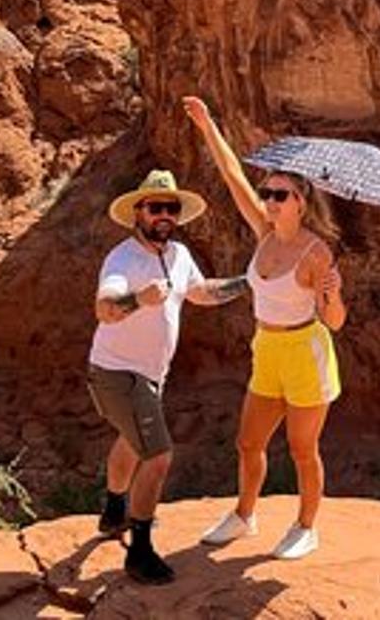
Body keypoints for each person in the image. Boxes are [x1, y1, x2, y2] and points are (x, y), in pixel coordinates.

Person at [183, 96, 347, 561]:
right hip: (267, 349)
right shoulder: (264, 232)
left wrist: (332, 294)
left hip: (305, 352)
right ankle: (244, 516)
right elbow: (233, 176)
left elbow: (333, 323)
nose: (268, 201)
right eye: (267, 194)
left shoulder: (316, 254)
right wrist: (208, 125)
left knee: (301, 448)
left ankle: (306, 526)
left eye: (278, 195)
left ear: (301, 202)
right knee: (249, 441)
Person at [89, 167, 249, 586]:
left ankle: (113, 510)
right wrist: (139, 300)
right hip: (117, 373)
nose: (165, 215)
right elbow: (104, 308)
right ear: (138, 212)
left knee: (132, 438)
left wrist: (249, 281)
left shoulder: (177, 255)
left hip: (149, 375)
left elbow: (200, 292)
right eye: (156, 207)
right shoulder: (122, 259)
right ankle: (139, 552)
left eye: (171, 209)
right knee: (157, 456)